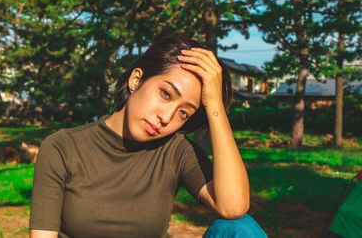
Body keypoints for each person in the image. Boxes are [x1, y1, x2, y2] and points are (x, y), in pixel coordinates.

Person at [29, 35, 268, 238]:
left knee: (239, 227)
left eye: (183, 112)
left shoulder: (176, 150)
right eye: (165, 94)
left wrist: (214, 103)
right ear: (136, 80)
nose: (166, 117)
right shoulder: (62, 147)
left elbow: (234, 206)